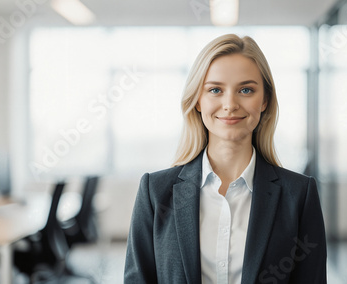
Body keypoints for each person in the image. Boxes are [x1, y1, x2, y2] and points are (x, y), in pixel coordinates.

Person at [124, 34, 326, 284]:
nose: (230, 104)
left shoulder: (299, 195)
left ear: (264, 100)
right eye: (215, 90)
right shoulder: (155, 192)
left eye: (245, 90)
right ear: (198, 100)